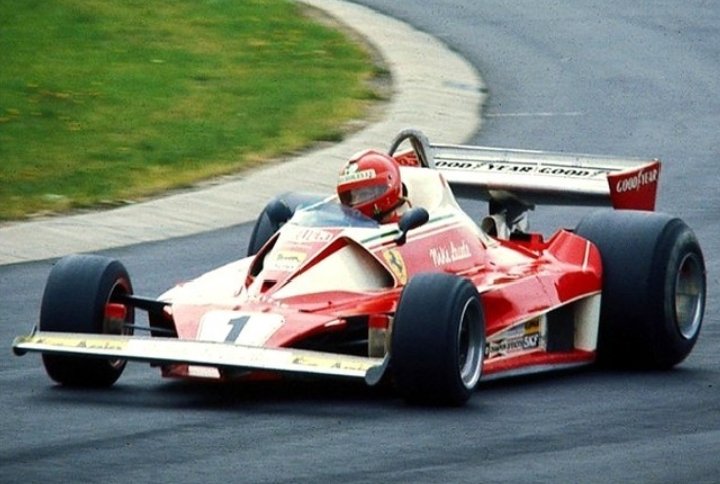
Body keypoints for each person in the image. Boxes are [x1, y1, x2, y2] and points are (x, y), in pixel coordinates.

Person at [336, 149, 410, 223]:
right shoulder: (345, 225)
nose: (356, 199)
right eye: (353, 197)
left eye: (363, 194)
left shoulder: (404, 224)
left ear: (382, 190)